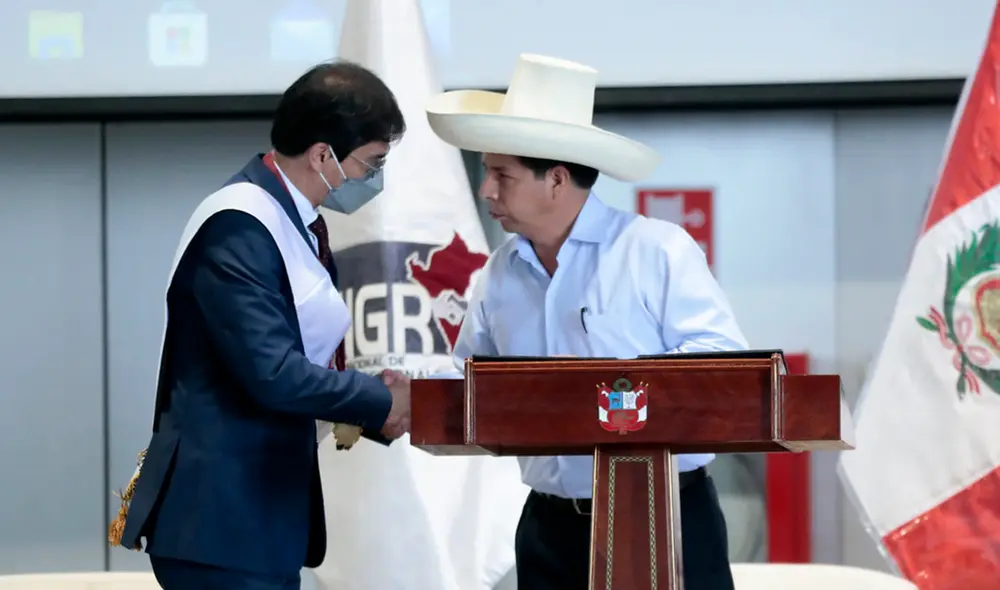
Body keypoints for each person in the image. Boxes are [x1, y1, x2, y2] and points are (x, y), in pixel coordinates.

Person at [426, 54, 748, 590]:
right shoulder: (499, 273)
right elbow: (467, 385)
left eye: (501, 174)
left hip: (663, 516)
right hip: (549, 527)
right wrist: (402, 399)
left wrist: (602, 394)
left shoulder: (655, 250)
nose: (486, 191)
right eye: (487, 173)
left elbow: (720, 367)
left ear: (555, 179)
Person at [107, 61, 412, 590]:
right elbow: (272, 371)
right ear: (323, 155)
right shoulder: (239, 226)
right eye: (371, 163)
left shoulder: (291, 219)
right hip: (223, 520)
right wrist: (381, 401)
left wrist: (374, 405)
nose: (374, 180)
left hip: (259, 512)